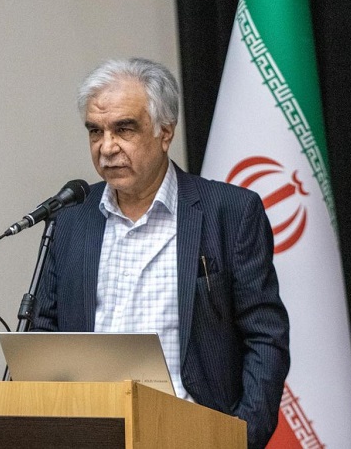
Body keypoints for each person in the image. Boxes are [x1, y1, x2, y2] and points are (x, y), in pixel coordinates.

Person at [31, 57, 289, 448]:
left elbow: (265, 338)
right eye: (95, 131)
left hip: (196, 437)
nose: (106, 147)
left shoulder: (230, 212)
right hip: (91, 435)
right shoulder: (71, 218)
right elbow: (44, 333)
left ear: (165, 132)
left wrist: (241, 438)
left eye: (124, 129)